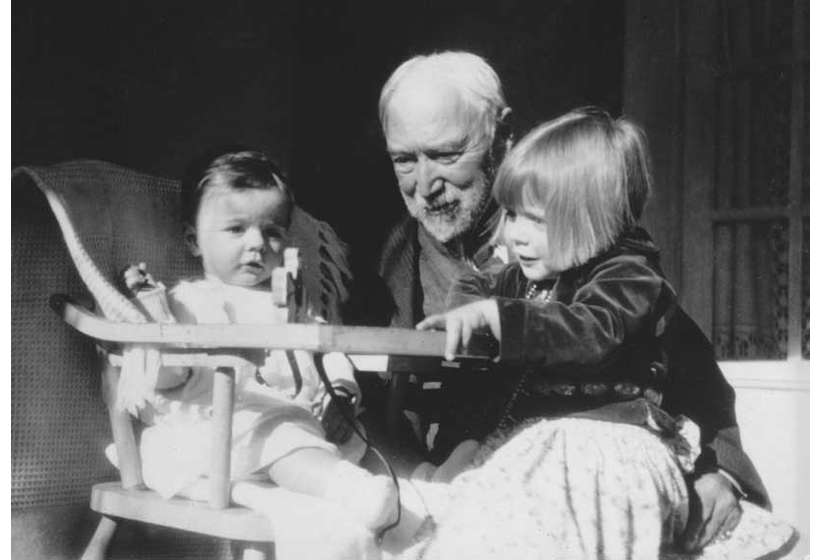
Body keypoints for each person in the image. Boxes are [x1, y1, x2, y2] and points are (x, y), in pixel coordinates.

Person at [371, 50, 770, 553]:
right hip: (447, 497)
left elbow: (686, 373)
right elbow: (356, 411)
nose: (425, 185)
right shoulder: (379, 267)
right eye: (405, 160)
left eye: (447, 155)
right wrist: (420, 478)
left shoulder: (589, 257)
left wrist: (718, 472)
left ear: (502, 135)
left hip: (583, 482)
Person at [118, 150, 398, 541]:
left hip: (293, 421)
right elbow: (166, 375)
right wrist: (152, 308)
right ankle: (348, 490)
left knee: (357, 435)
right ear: (193, 240)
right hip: (217, 433)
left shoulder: (289, 303)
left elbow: (326, 350)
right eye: (236, 229)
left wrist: (342, 392)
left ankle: (400, 494)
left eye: (272, 232)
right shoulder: (187, 303)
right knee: (280, 436)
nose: (257, 244)